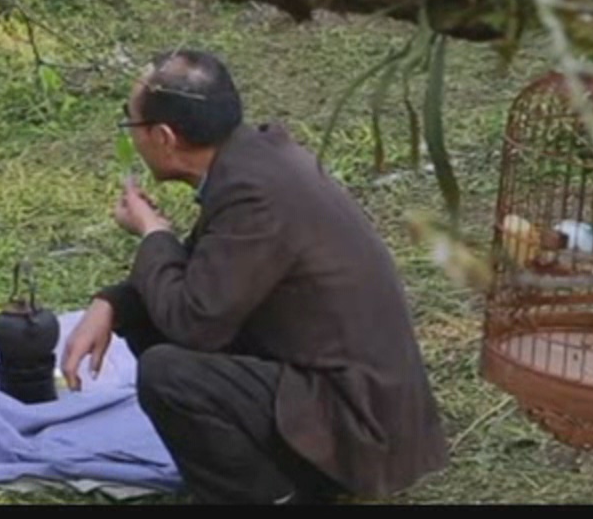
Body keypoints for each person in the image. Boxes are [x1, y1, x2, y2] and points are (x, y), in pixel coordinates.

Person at [61, 49, 448, 505]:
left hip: (360, 427)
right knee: (151, 315)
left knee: (168, 373)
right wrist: (110, 303)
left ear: (163, 137)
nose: (130, 135)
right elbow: (199, 275)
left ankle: (269, 496)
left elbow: (193, 323)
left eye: (131, 124)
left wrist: (152, 233)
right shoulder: (253, 160)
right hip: (341, 394)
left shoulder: (253, 195)